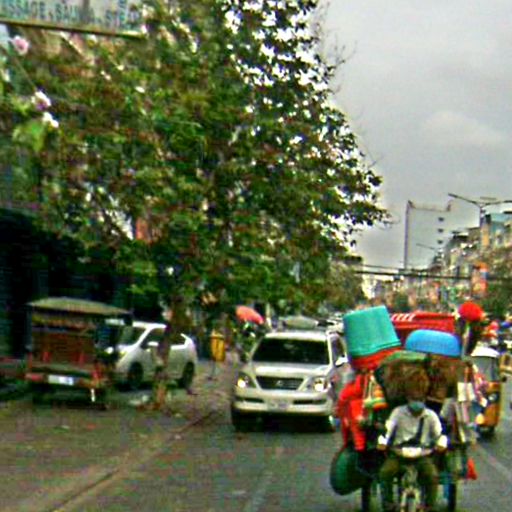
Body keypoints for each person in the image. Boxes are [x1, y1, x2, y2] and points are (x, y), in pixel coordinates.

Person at [377, 397, 447, 512]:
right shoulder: (398, 413)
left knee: (432, 475)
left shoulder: (431, 415)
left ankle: (429, 507)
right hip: (399, 454)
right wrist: (382, 443)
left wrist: (441, 444)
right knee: (385, 473)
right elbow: (387, 431)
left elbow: (439, 434)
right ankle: (388, 506)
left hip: (422, 455)